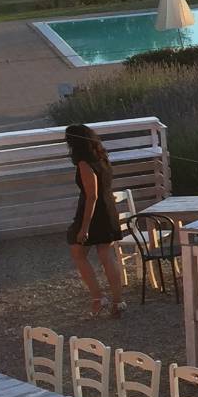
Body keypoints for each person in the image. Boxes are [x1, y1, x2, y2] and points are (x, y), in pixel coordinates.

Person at [66, 122, 126, 318]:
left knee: (78, 251)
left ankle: (98, 298)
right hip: (108, 209)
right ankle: (117, 302)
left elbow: (92, 196)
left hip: (94, 212)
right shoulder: (102, 159)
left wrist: (84, 227)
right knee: (105, 254)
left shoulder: (84, 163)